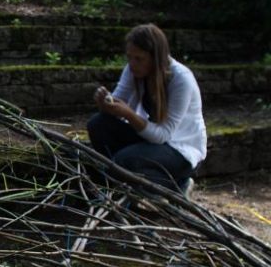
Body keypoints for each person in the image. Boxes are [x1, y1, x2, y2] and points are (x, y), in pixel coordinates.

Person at [86, 23, 206, 196]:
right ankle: (118, 180)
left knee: (124, 160)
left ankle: (177, 184)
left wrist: (128, 114)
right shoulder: (133, 70)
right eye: (130, 58)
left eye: (139, 59)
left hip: (179, 149)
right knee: (97, 124)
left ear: (154, 58)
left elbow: (163, 135)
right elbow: (118, 100)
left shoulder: (181, 80)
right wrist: (105, 103)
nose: (132, 64)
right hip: (151, 140)